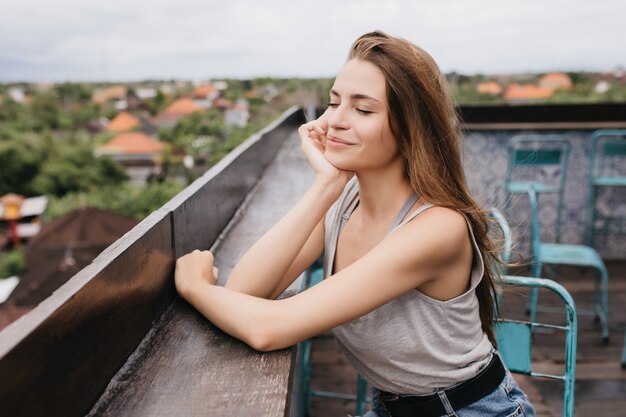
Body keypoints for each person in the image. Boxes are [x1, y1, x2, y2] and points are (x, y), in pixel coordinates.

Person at [175, 31, 535, 417]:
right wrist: (325, 185)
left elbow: (267, 329)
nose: (334, 122)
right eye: (333, 103)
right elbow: (246, 291)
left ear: (410, 129)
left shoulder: (437, 229)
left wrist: (195, 286)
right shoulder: (344, 201)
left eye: (363, 110)